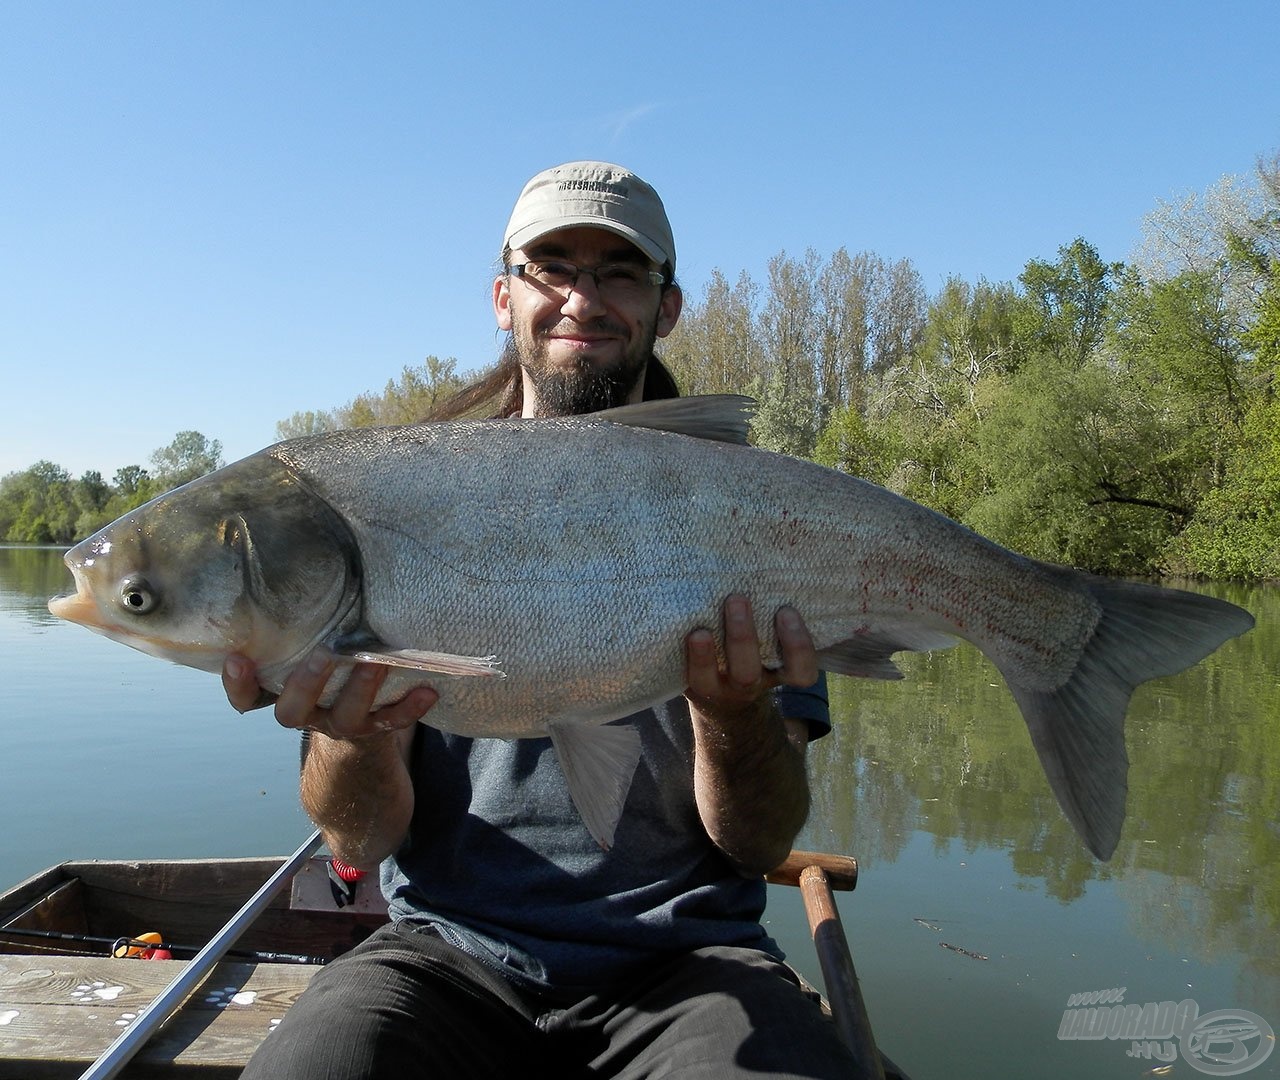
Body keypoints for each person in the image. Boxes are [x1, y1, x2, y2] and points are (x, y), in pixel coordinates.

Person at [224, 161, 857, 1078]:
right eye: (551, 267)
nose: (582, 297)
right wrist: (352, 738)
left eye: (619, 272)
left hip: (689, 968)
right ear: (501, 295)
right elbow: (357, 844)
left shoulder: (747, 518)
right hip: (448, 956)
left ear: (666, 306)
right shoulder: (397, 504)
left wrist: (731, 716)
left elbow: (757, 846)